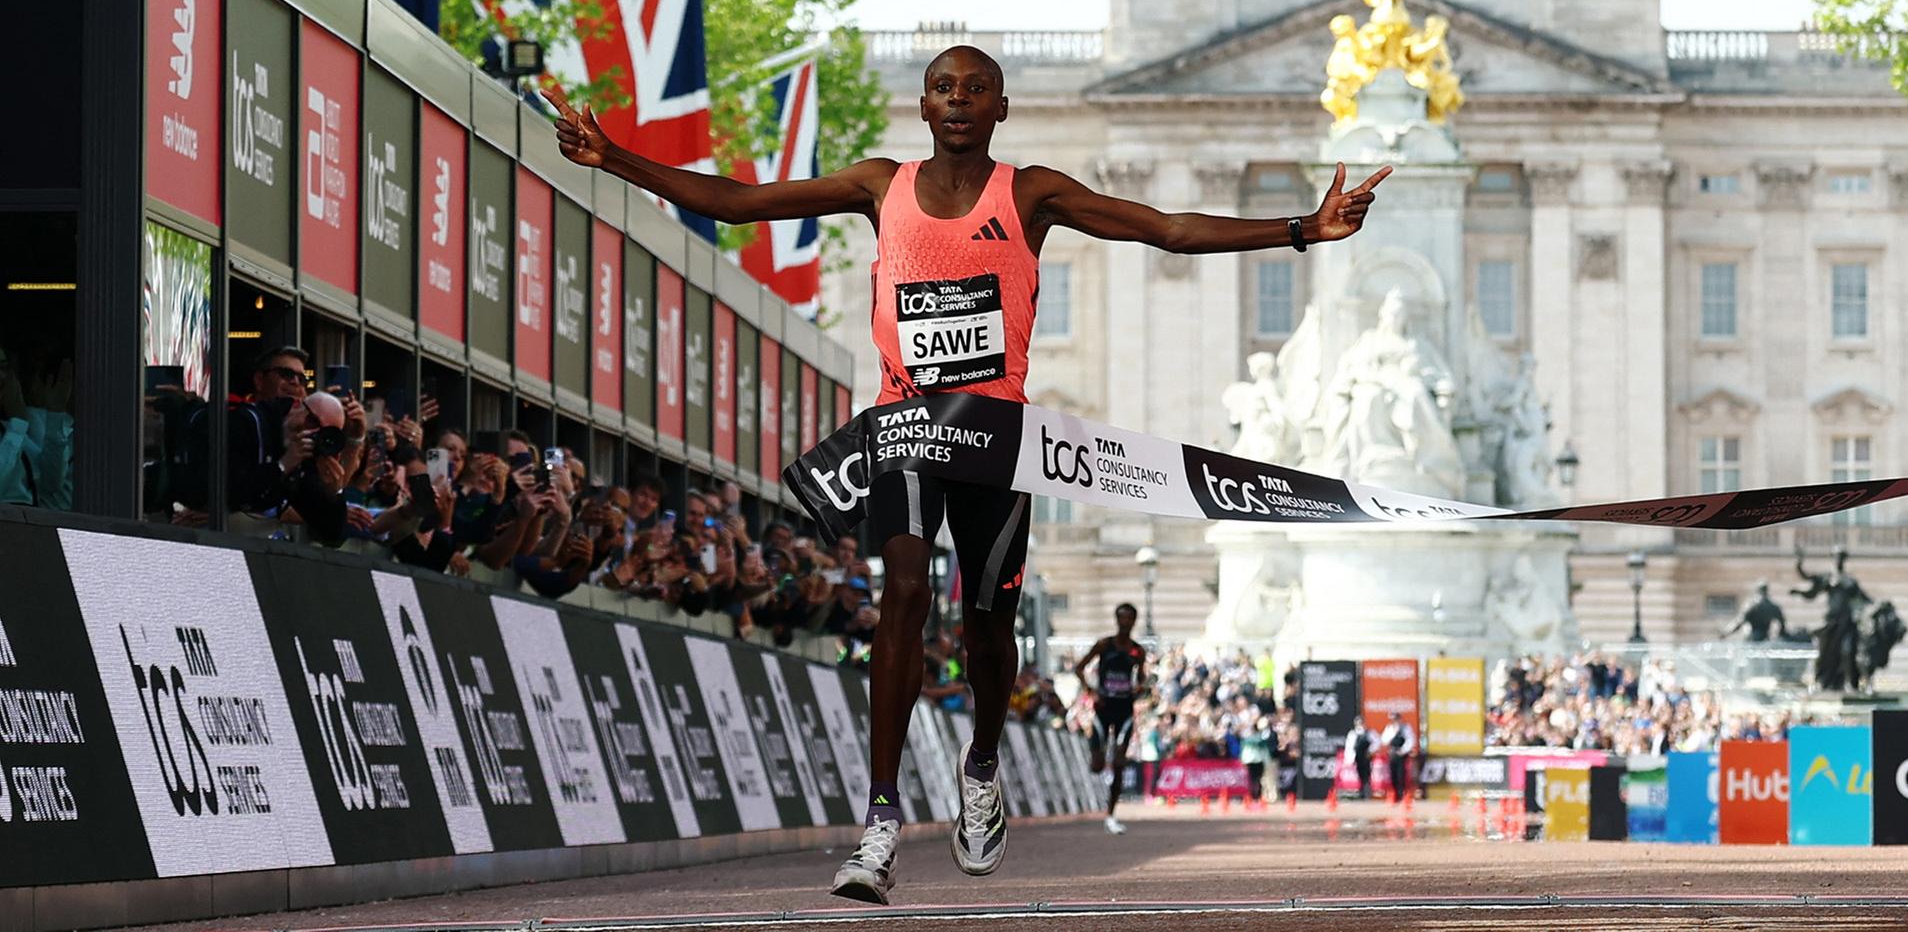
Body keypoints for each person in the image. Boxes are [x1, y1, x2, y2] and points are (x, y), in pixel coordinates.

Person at [542, 46, 1388, 905]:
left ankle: (982, 762)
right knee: (904, 588)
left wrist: (1301, 230)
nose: (957, 101)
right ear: (923, 104)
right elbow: (743, 203)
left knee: (989, 629)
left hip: (995, 438)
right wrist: (615, 158)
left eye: (974, 90)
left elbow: (1163, 228)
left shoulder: (1031, 194)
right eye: (944, 88)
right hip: (907, 424)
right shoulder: (881, 185)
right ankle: (879, 821)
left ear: (1001, 109)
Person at [1075, 603, 1148, 835]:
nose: (1125, 622)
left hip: (1125, 709)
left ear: (1134, 621)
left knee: (1118, 762)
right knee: (1097, 765)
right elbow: (1079, 668)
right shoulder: (1105, 645)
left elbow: (1142, 679)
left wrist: (1140, 688)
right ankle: (1096, 756)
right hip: (1103, 708)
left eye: (1129, 619)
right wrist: (1091, 690)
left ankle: (1111, 814)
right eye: (1121, 618)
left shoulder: (1138, 651)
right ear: (1116, 620)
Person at [1380, 711, 1414, 803]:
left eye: (1395, 719)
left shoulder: (1406, 728)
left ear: (1399, 719)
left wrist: (1402, 751)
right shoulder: (1389, 728)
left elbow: (1410, 740)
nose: (1394, 721)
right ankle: (1394, 794)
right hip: (1392, 754)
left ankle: (1402, 794)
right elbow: (1384, 740)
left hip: (1401, 754)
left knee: (1401, 775)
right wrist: (1392, 734)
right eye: (1392, 719)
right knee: (1393, 774)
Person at [1344, 715, 1376, 801]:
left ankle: (1367, 793)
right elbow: (1349, 747)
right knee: (1360, 775)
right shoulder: (1352, 734)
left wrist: (1370, 751)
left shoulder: (1369, 733)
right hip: (1357, 757)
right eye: (1358, 723)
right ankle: (1361, 792)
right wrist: (1349, 759)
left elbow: (1376, 742)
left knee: (1367, 775)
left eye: (1361, 722)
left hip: (1366, 757)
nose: (1360, 724)